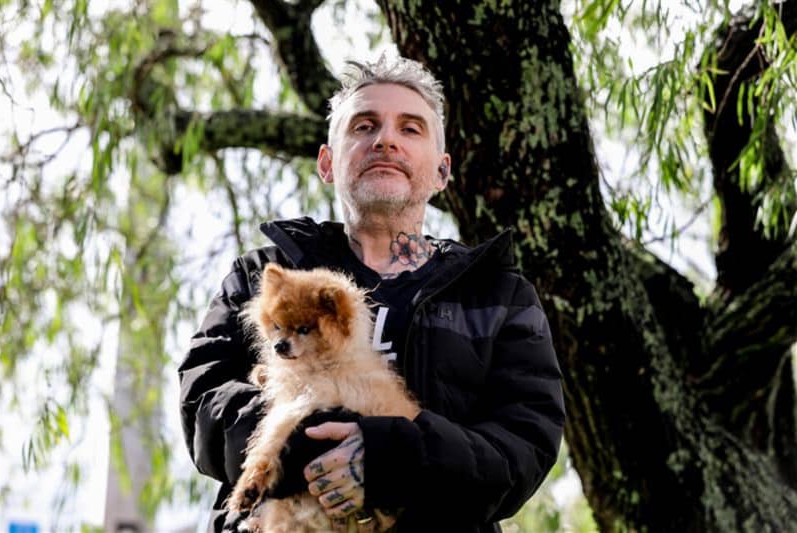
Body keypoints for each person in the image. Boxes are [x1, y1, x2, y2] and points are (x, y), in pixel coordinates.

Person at [179, 55, 565, 532]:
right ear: (327, 162)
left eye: (411, 129)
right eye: (364, 126)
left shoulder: (497, 295)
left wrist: (393, 457)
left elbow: (523, 448)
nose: (385, 140)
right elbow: (202, 400)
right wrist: (304, 442)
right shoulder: (265, 276)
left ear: (442, 172)